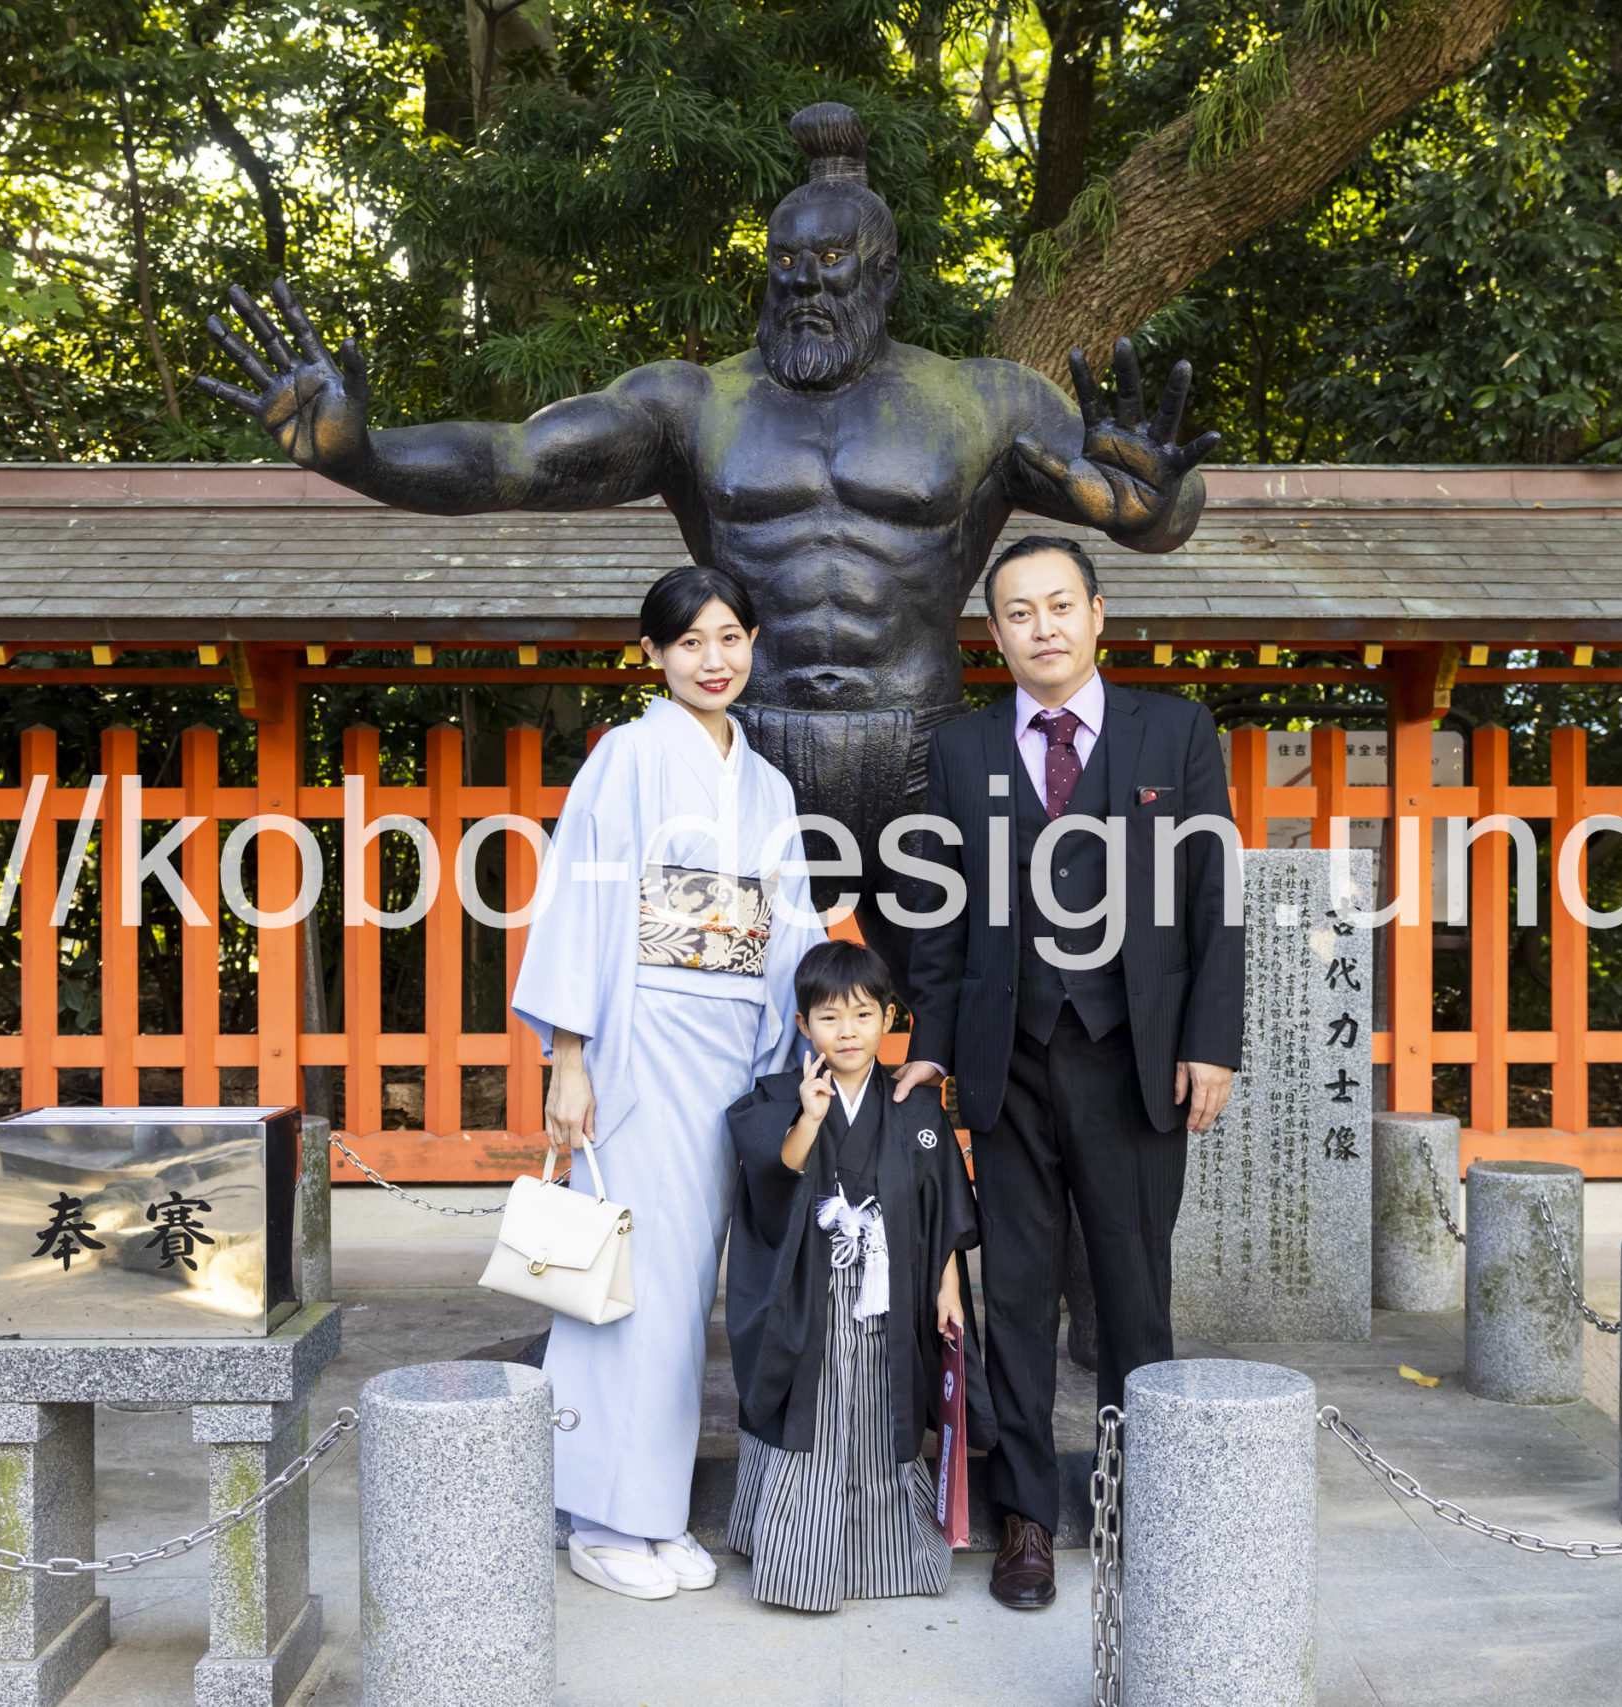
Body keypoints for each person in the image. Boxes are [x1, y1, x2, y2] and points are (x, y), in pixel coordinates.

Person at [197, 101, 1218, 999]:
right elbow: (515, 459)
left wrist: (1157, 504)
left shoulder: (982, 401)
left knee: (981, 999)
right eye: (786, 265)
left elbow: (1150, 508)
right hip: (745, 752)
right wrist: (365, 457)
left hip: (924, 750)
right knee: (707, 989)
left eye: (831, 263)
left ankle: (982, 1164)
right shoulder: (694, 403)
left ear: (884, 273)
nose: (805, 285)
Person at [895, 535, 1246, 1610]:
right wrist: (929, 1048)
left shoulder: (1174, 731)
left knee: (1134, 1288)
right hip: (1006, 1061)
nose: (1041, 627)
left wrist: (1212, 1041)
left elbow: (1214, 897)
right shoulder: (960, 750)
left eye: (1059, 605)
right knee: (1013, 1294)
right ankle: (1027, 1519)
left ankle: (1149, 1497)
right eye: (1019, 611)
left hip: (1135, 1055)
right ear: (993, 634)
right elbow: (939, 919)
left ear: (1097, 613)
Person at [508, 562, 827, 1601]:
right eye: (690, 641)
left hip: (737, 1048)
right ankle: (605, 1517)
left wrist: (811, 1041)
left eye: (730, 636)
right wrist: (569, 1056)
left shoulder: (767, 784)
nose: (713, 659)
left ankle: (649, 1508)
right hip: (641, 1042)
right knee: (629, 1284)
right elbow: (580, 899)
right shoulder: (627, 756)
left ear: (753, 643)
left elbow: (791, 928)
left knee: (691, 1287)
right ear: (652, 654)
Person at [722, 939, 980, 1612]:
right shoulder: (781, 1096)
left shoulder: (914, 1105)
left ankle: (887, 1556)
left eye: (863, 1014)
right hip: (813, 1293)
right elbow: (774, 1180)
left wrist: (948, 1286)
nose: (847, 1031)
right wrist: (809, 1118)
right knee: (814, 1415)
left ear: (889, 1018)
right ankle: (801, 1563)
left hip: (892, 1293)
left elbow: (940, 1206)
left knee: (877, 1413)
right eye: (829, 1017)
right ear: (803, 1023)